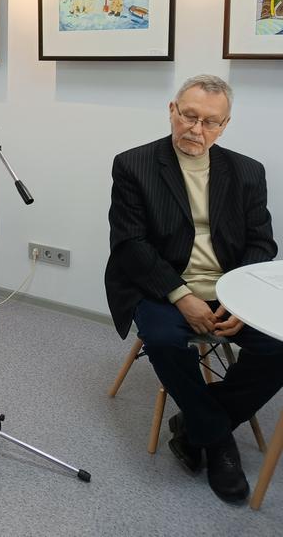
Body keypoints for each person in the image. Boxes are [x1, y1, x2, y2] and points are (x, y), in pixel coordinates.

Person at [105, 74, 283, 503]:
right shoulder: (133, 164)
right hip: (161, 284)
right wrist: (181, 297)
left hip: (229, 289)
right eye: (188, 116)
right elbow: (130, 244)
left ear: (225, 125)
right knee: (164, 339)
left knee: (280, 347)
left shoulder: (247, 171)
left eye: (210, 122)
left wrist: (243, 301)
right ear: (172, 110)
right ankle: (218, 439)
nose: (196, 130)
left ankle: (196, 423)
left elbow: (262, 243)